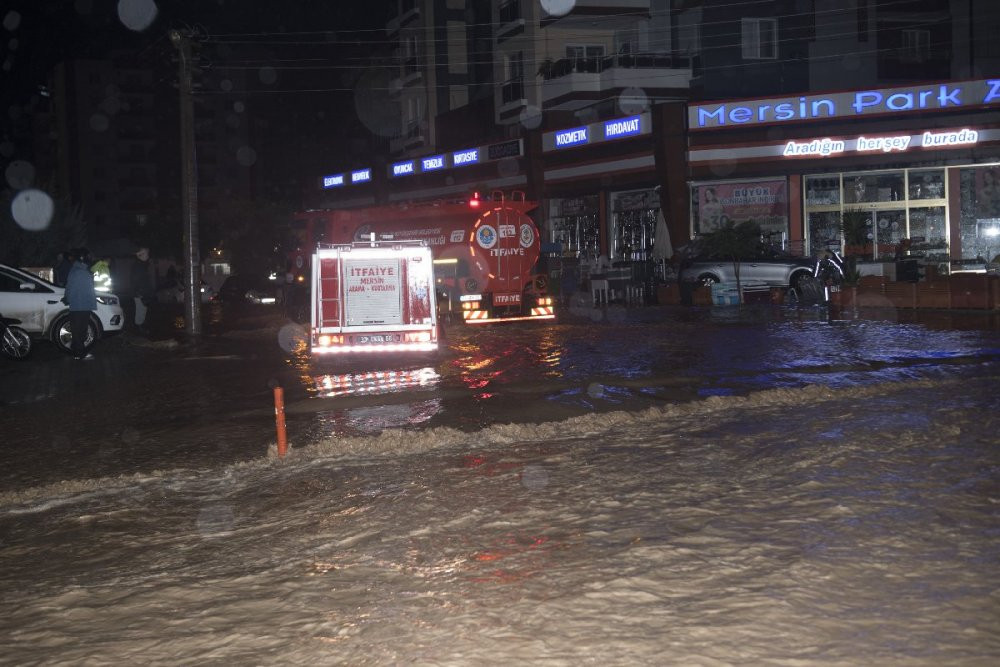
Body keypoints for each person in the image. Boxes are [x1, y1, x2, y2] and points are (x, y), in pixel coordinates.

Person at [63, 247, 97, 360]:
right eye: (88, 256)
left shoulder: (77, 270)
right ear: (83, 258)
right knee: (80, 331)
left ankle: (75, 350)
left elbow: (69, 287)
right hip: (81, 305)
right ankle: (79, 354)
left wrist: (67, 298)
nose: (90, 258)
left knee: (77, 330)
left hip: (78, 305)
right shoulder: (81, 272)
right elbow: (76, 289)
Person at [130, 247, 155, 333]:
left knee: (143, 310)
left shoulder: (143, 265)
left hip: (143, 292)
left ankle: (141, 327)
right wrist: (139, 292)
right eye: (146, 254)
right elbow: (135, 280)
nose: (148, 256)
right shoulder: (138, 266)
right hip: (140, 293)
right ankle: (139, 329)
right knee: (140, 311)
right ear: (142, 255)